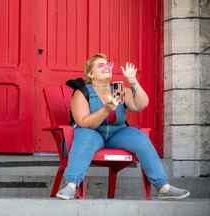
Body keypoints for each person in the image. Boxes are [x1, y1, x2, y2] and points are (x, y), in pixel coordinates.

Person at [56, 53, 190, 200]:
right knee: (84, 136)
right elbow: (84, 122)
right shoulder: (84, 92)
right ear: (91, 74)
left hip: (117, 133)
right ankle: (71, 185)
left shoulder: (117, 89)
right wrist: (106, 109)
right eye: (101, 65)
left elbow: (140, 105)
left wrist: (133, 82)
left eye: (108, 64)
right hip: (93, 132)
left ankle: (163, 187)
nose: (106, 67)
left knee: (140, 137)